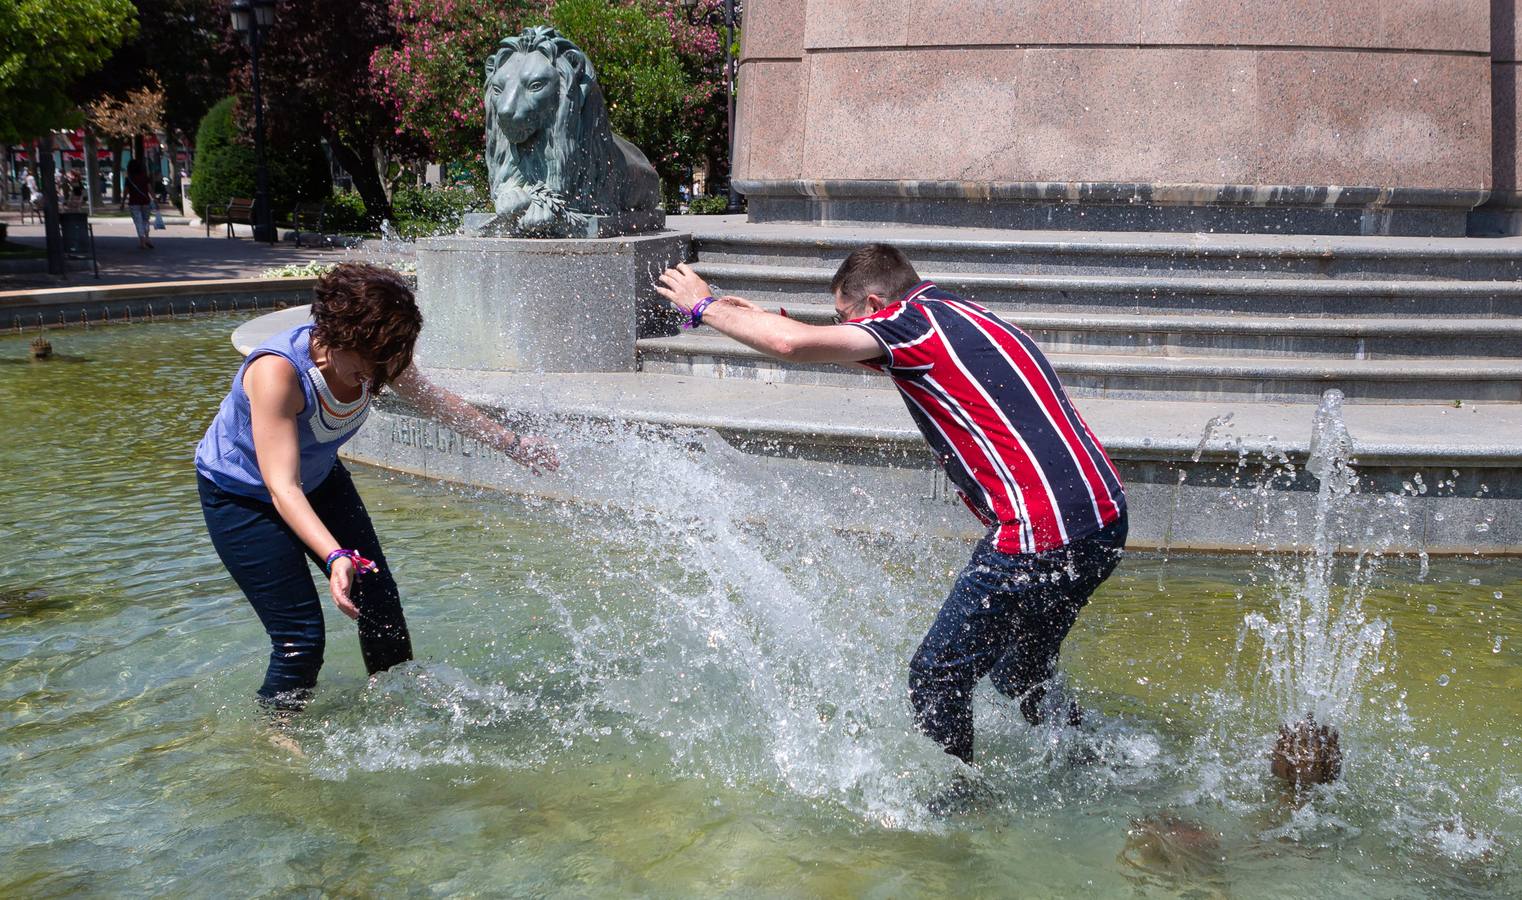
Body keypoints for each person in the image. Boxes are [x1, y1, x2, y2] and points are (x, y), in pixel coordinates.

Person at [655, 245, 1128, 766]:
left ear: (876, 303)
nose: (842, 329)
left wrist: (704, 307)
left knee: (936, 673)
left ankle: (963, 803)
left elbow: (791, 347)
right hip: (1100, 519)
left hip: (1038, 531)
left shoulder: (908, 323)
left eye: (844, 318)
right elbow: (832, 344)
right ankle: (1093, 759)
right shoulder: (961, 314)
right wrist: (766, 319)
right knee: (1019, 669)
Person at [196, 263, 559, 711]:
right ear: (337, 336)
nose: (378, 376)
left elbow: (437, 403)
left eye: (388, 361)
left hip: (320, 480)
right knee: (300, 637)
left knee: (380, 602)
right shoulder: (278, 373)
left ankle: (394, 703)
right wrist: (335, 556)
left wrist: (513, 444)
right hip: (243, 497)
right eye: (370, 361)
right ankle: (278, 737)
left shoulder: (379, 358)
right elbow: (281, 487)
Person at [124, 158, 155, 249]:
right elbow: (149, 189)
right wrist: (154, 199)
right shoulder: (145, 177)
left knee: (138, 222)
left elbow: (126, 191)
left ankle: (142, 242)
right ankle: (147, 238)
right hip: (145, 201)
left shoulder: (129, 179)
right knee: (146, 221)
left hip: (134, 202)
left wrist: (123, 202)